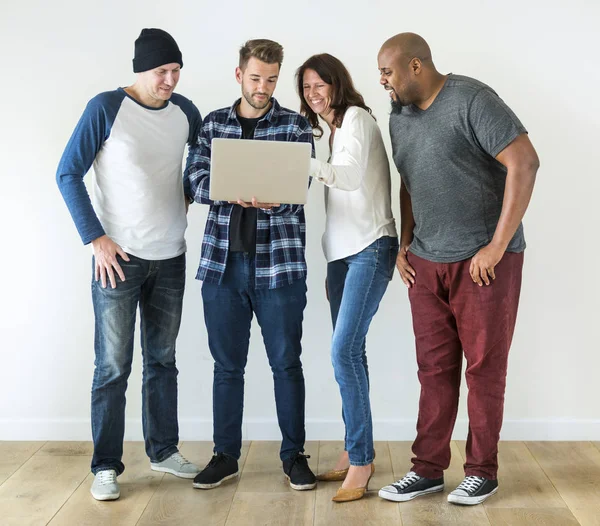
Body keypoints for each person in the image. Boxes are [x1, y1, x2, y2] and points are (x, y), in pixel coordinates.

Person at [376, 33, 539, 505]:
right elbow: (409, 182)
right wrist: (406, 244)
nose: (382, 81)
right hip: (426, 263)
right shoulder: (398, 117)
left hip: (483, 264)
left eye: (387, 72)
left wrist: (497, 246)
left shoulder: (472, 99)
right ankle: (426, 470)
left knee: (485, 370)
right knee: (433, 370)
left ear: (415, 67)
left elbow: (524, 163)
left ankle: (481, 472)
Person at [56, 28, 201, 501]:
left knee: (162, 361)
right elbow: (67, 172)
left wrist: (187, 192)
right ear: (141, 68)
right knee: (113, 366)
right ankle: (105, 465)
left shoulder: (187, 113)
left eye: (176, 71)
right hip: (118, 260)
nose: (170, 80)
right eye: (163, 71)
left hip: (171, 258)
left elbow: (201, 165)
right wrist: (95, 238)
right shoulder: (106, 107)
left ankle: (163, 451)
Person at [185, 39, 317, 491]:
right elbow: (195, 179)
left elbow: (299, 190)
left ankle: (293, 456)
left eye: (272, 79)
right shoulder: (213, 123)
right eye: (256, 77)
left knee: (286, 363)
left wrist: (272, 200)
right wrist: (228, 188)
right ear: (238, 74)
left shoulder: (295, 127)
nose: (263, 87)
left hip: (278, 268)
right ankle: (225, 455)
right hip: (222, 267)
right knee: (227, 367)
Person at [296, 53, 398, 502]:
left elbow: (351, 179)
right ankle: (354, 448)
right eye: (306, 88)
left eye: (320, 85)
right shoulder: (333, 131)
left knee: (343, 352)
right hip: (341, 257)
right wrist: (330, 259)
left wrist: (303, 163)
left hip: (371, 248)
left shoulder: (356, 118)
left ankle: (362, 459)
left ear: (338, 84)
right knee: (350, 356)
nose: (313, 94)